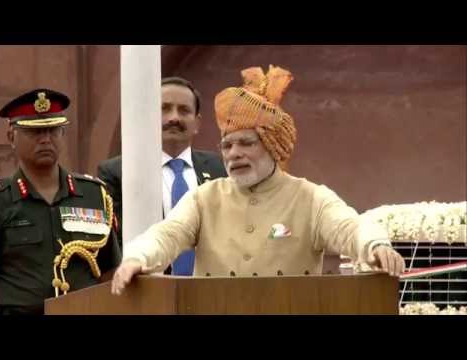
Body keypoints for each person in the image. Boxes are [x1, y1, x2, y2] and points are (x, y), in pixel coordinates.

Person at [111, 65, 405, 296]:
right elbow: (167, 235)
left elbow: (350, 227)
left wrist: (375, 246)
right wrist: (137, 257)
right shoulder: (204, 198)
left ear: (272, 146)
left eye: (246, 143)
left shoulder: (310, 197)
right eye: (227, 146)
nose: (234, 154)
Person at [0, 89, 121, 315]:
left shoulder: (94, 195)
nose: (46, 139)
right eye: (35, 131)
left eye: (53, 130)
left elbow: (109, 272)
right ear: (11, 137)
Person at [98, 77, 227, 275]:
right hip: (149, 290)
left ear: (197, 122)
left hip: (212, 289)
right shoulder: (118, 171)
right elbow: (112, 244)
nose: (174, 117)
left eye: (184, 110)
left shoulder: (221, 168)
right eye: (164, 108)